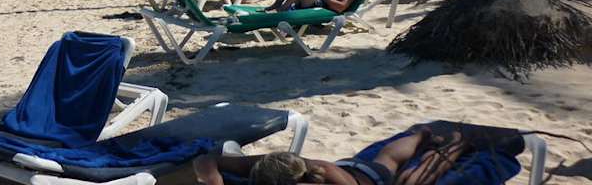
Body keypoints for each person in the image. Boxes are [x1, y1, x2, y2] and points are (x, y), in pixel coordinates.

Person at [192, 125, 468, 185]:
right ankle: (422, 137)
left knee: (400, 169)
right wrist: (213, 181)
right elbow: (205, 160)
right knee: (387, 157)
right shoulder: (269, 164)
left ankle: (442, 142)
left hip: (370, 178)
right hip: (342, 166)